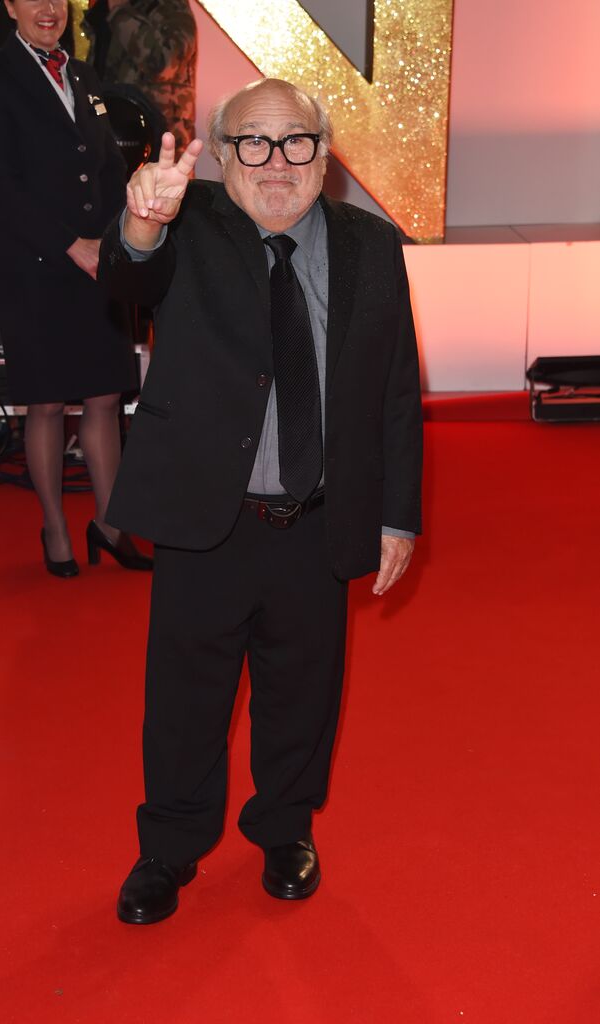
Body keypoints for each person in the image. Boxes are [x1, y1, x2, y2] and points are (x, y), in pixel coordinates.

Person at [98, 78, 423, 924]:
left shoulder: (369, 246)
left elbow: (394, 391)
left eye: (296, 143)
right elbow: (129, 274)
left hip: (316, 521)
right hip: (207, 519)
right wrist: (140, 220)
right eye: (252, 143)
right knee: (183, 698)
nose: (275, 164)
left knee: (303, 690)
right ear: (224, 151)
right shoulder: (191, 223)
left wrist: (396, 513)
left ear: (324, 155)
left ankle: (284, 828)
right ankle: (167, 849)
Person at [0, 0, 151, 576]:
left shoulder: (82, 72)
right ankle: (56, 529)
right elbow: (1, 184)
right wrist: (73, 245)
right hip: (39, 261)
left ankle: (111, 524)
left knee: (103, 396)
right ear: (10, 6)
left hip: (99, 262)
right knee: (45, 402)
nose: (49, 9)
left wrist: (125, 234)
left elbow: (106, 168)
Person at [83, 0, 197, 158]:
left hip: (157, 145)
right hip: (111, 136)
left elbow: (165, 62)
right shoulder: (101, 8)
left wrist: (119, 11)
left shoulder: (169, 5)